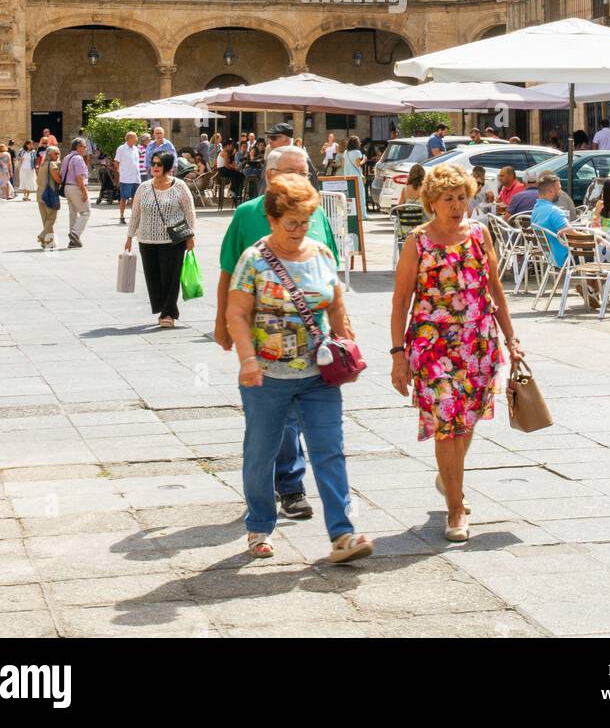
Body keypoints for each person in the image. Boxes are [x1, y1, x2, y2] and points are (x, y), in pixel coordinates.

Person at [226, 173, 372, 563]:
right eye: (291, 222)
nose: (299, 229)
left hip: (318, 377)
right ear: (272, 220)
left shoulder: (321, 254)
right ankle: (259, 526)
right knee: (261, 453)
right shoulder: (254, 260)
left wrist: (347, 345)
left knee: (330, 451)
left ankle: (342, 534)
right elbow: (236, 313)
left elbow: (336, 305)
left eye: (305, 221)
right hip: (266, 377)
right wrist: (247, 358)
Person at [390, 163, 522, 542]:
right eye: (448, 198)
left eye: (462, 197)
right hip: (433, 345)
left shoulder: (480, 234)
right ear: (432, 201)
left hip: (479, 342)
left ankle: (449, 475)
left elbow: (495, 289)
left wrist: (511, 337)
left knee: (467, 420)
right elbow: (400, 301)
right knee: (448, 419)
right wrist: (398, 354)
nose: (457, 205)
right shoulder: (418, 240)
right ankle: (455, 506)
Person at [215, 144, 340, 521]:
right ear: (269, 177)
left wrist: (341, 330)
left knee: (308, 427)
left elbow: (331, 277)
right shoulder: (246, 215)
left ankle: (297, 491)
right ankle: (289, 487)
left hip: (311, 343)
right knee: (277, 424)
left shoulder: (315, 215)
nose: (300, 179)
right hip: (264, 343)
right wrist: (221, 323)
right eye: (291, 172)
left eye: (305, 173)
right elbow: (226, 272)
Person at [125, 149, 196, 328]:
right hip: (146, 240)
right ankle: (164, 308)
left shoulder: (179, 186)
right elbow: (135, 214)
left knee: (170, 278)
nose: (155, 167)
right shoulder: (144, 187)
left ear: (167, 167)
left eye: (159, 164)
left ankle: (168, 313)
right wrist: (129, 237)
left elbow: (190, 212)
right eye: (153, 163)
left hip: (173, 241)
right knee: (153, 277)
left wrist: (192, 236)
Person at [259, 123, 320, 191]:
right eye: (269, 138)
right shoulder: (270, 159)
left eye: (273, 138)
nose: (269, 142)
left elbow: (314, 188)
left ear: (287, 140)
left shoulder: (301, 159)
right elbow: (263, 188)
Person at [530, 172, 570, 273]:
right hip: (564, 258)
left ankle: (590, 286)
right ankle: (592, 286)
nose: (561, 192)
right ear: (551, 191)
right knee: (597, 250)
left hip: (549, 256)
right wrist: (597, 238)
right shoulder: (554, 211)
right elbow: (570, 233)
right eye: (559, 188)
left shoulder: (536, 209)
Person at [59, 137, 91, 248]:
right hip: (76, 187)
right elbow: (79, 177)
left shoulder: (67, 157)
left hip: (67, 187)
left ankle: (73, 241)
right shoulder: (78, 158)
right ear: (78, 147)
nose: (85, 149)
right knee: (86, 212)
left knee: (73, 213)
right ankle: (75, 233)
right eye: (84, 146)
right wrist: (84, 191)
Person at [35, 145, 62, 250]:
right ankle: (42, 236)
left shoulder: (42, 165)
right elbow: (58, 180)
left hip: (40, 194)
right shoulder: (52, 165)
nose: (58, 155)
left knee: (46, 220)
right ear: (50, 154)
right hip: (49, 195)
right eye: (56, 153)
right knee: (51, 218)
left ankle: (48, 243)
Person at [114, 131, 142, 226]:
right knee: (124, 198)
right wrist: (120, 172)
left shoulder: (135, 149)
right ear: (129, 138)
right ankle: (122, 216)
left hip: (136, 178)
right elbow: (116, 162)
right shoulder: (121, 149)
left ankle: (134, 217)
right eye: (135, 137)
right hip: (126, 178)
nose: (137, 139)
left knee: (136, 198)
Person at [342, 134, 368, 222]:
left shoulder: (346, 152)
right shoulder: (357, 152)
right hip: (356, 176)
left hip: (347, 176)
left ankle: (351, 213)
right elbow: (358, 164)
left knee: (350, 196)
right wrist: (364, 160)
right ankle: (362, 215)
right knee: (360, 195)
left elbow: (343, 165)